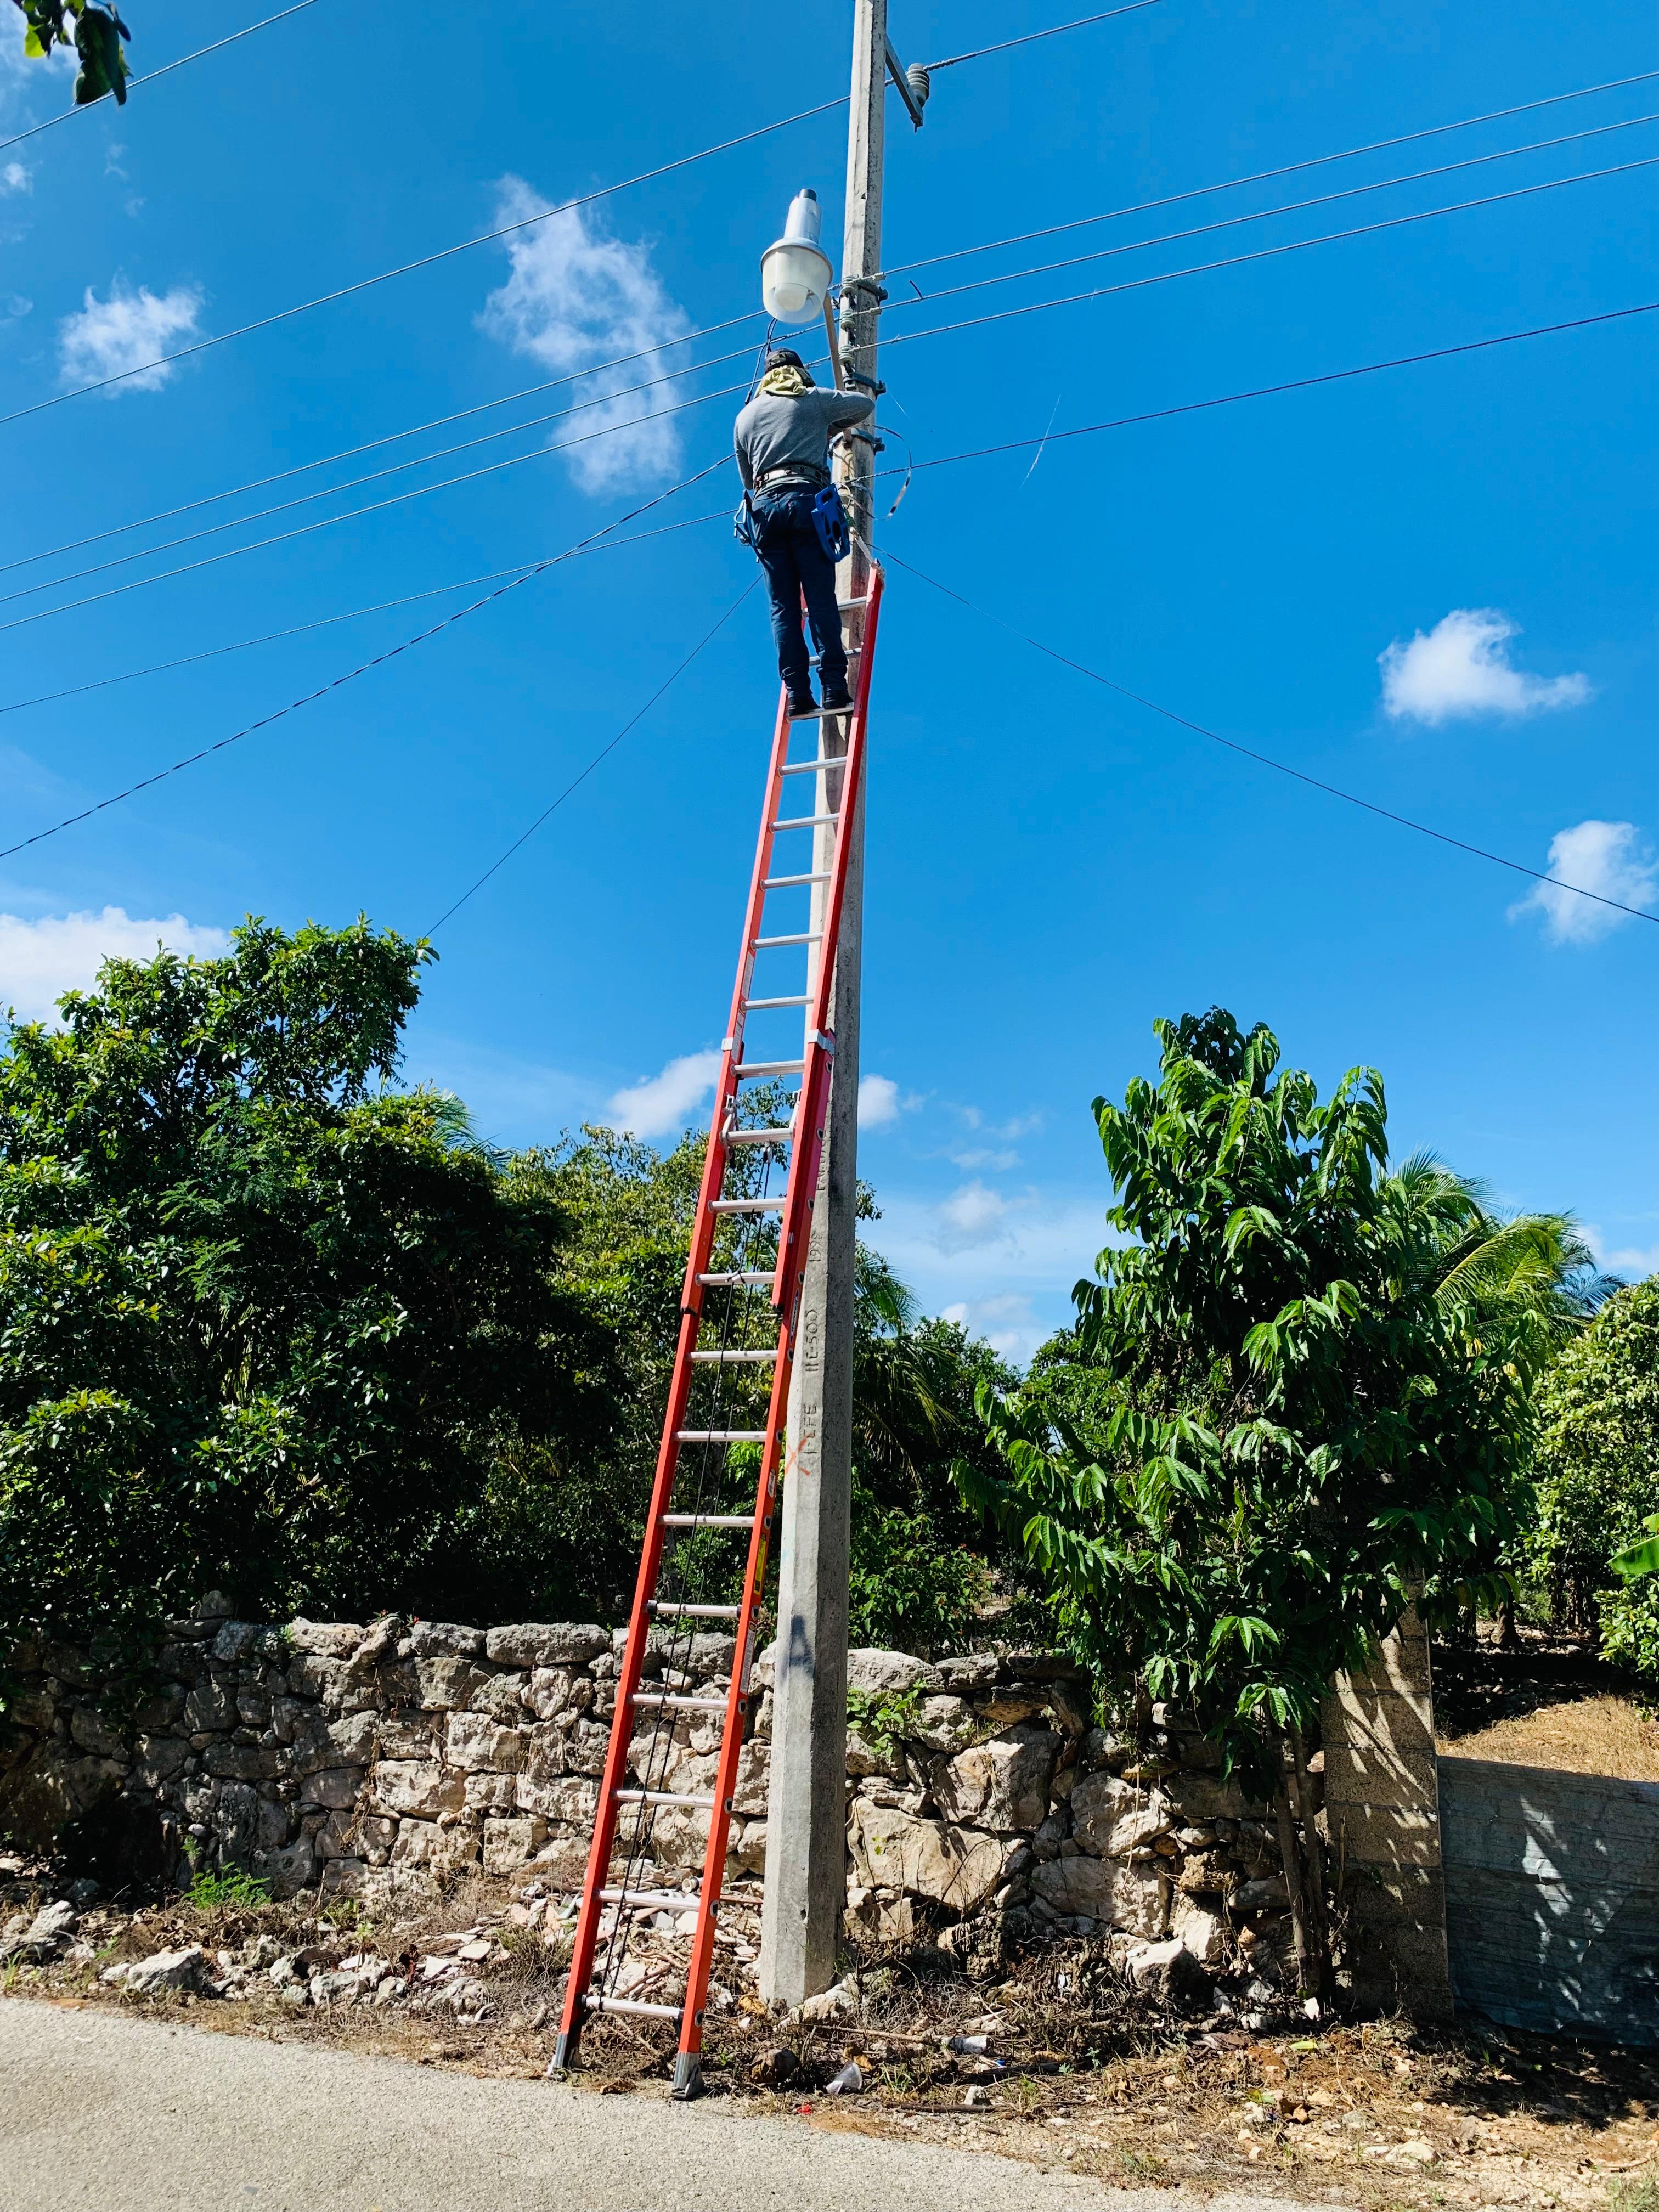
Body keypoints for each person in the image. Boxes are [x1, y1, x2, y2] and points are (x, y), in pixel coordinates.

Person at [733, 347, 876, 715]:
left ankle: (797, 693)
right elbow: (862, 405)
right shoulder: (811, 399)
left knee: (783, 609)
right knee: (819, 600)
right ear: (799, 371)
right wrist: (825, 426)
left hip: (764, 511)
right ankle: (833, 687)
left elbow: (748, 479)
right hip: (805, 501)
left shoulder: (745, 417)